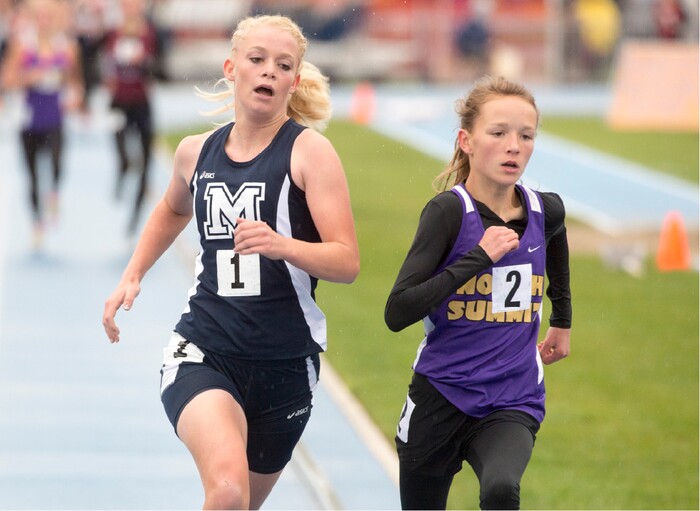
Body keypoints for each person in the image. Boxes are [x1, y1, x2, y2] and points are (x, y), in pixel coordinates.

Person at [102, 14, 359, 510]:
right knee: (226, 491)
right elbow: (173, 208)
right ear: (231, 67)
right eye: (257, 60)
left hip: (285, 365)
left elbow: (346, 262)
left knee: (238, 505)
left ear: (294, 80)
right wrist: (132, 275)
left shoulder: (311, 154)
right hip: (205, 348)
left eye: (282, 65)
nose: (268, 72)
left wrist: (281, 244)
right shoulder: (195, 153)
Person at [385, 75, 572, 510]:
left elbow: (557, 240)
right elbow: (397, 311)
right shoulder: (448, 213)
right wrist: (478, 258)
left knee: (501, 489)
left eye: (526, 136)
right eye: (499, 133)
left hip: (513, 394)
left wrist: (562, 318)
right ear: (466, 141)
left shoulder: (547, 209)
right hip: (441, 393)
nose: (514, 146)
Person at [0, 0, 83, 248]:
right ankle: (37, 222)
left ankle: (54, 195)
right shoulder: (22, 46)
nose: (45, 22)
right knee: (33, 174)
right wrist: (28, 77)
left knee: (57, 163)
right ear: (34, 20)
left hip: (54, 116)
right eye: (40, 17)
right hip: (29, 118)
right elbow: (7, 80)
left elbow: (75, 81)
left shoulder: (67, 48)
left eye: (49, 17)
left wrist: (76, 97)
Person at [102, 0, 157, 235]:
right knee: (124, 156)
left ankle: (135, 218)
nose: (131, 6)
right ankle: (122, 173)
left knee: (145, 162)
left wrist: (144, 63)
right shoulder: (112, 34)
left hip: (141, 104)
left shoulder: (151, 33)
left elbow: (160, 67)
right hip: (118, 104)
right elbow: (100, 63)